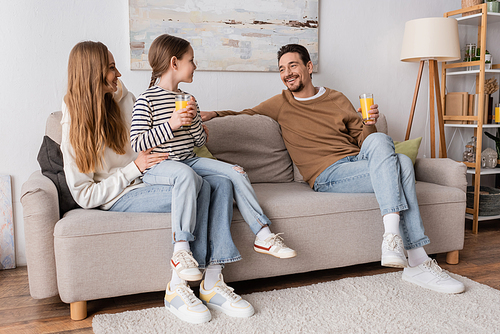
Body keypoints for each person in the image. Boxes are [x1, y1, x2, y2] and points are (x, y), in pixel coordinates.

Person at [202, 43, 465, 294]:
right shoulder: (281, 103)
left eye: (292, 66)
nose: (287, 74)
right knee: (403, 164)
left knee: (386, 145)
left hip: (356, 163)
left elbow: (364, 142)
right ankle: (417, 258)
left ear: (309, 66)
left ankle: (394, 239)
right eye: (282, 69)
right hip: (327, 175)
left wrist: (369, 123)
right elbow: (244, 112)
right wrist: (213, 114)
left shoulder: (337, 98)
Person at [60, 41, 253, 324]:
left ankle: (213, 281)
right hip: (120, 193)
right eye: (112, 68)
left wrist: (193, 121)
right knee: (197, 185)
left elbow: (154, 124)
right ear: (92, 73)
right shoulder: (72, 127)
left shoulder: (123, 99)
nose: (119, 74)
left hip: (148, 178)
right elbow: (86, 196)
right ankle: (177, 288)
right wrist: (132, 168)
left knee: (219, 183)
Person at [130, 34, 297, 264]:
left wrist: (195, 125)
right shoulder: (146, 100)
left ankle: (263, 235)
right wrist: (172, 123)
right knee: (185, 174)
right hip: (161, 166)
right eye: (191, 60)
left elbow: (198, 143)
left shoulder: (189, 98)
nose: (195, 66)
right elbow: (137, 142)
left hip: (189, 159)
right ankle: (181, 248)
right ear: (174, 62)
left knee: (236, 171)